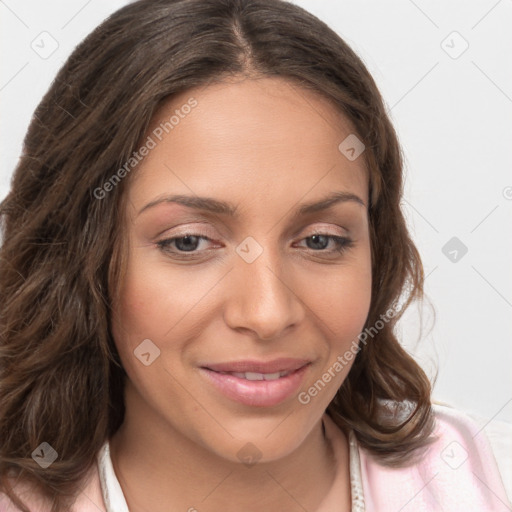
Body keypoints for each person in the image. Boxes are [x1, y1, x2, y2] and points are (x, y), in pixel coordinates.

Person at [0, 1, 510, 511]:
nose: (268, 314)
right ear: (77, 259)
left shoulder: (473, 476)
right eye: (189, 242)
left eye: (320, 240)